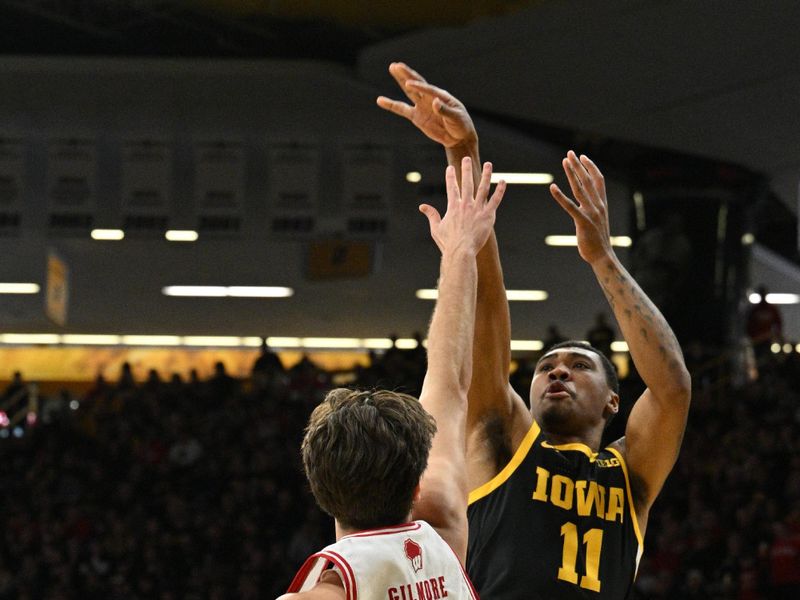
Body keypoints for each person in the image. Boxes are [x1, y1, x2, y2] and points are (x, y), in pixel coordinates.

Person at [379, 63, 691, 598]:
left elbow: (673, 388)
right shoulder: (506, 443)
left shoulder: (629, 478)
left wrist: (604, 259)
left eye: (577, 365)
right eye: (546, 366)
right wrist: (463, 151)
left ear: (614, 403)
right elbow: (486, 326)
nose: (558, 371)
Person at [279, 159, 506, 598]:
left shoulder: (328, 590)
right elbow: (452, 383)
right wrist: (459, 252)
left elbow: (453, 384)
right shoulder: (441, 532)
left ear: (319, 489)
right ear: (417, 484)